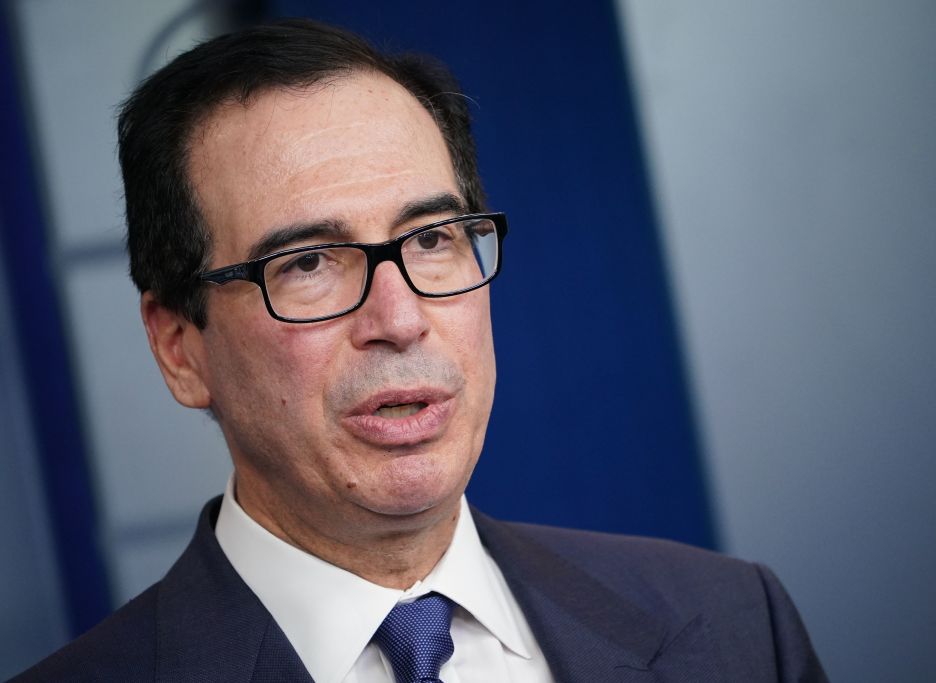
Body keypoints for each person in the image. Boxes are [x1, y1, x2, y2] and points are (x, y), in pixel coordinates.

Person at [13, 18, 827, 683]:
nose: (400, 318)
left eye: (433, 238)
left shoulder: (733, 625)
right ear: (179, 347)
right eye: (307, 262)